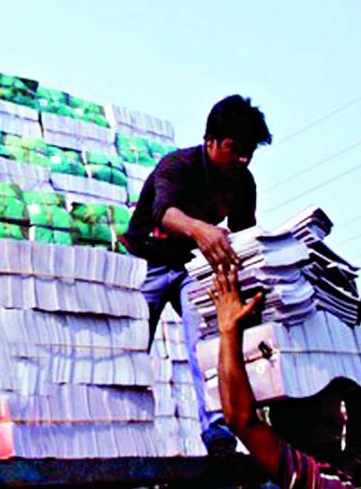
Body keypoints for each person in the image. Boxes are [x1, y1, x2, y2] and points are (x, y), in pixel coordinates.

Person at [121, 94, 272, 454]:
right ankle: (119, 427)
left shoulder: (243, 183)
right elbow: (164, 214)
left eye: (249, 151)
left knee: (209, 339)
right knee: (130, 345)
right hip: (149, 262)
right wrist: (200, 229)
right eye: (236, 149)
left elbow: (241, 234)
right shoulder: (177, 166)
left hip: (192, 268)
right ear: (211, 142)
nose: (243, 159)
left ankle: (218, 431)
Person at [209, 266, 361, 488]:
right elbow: (359, 411)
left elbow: (241, 420)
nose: (340, 418)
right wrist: (344, 323)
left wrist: (229, 328)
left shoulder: (316, 481)